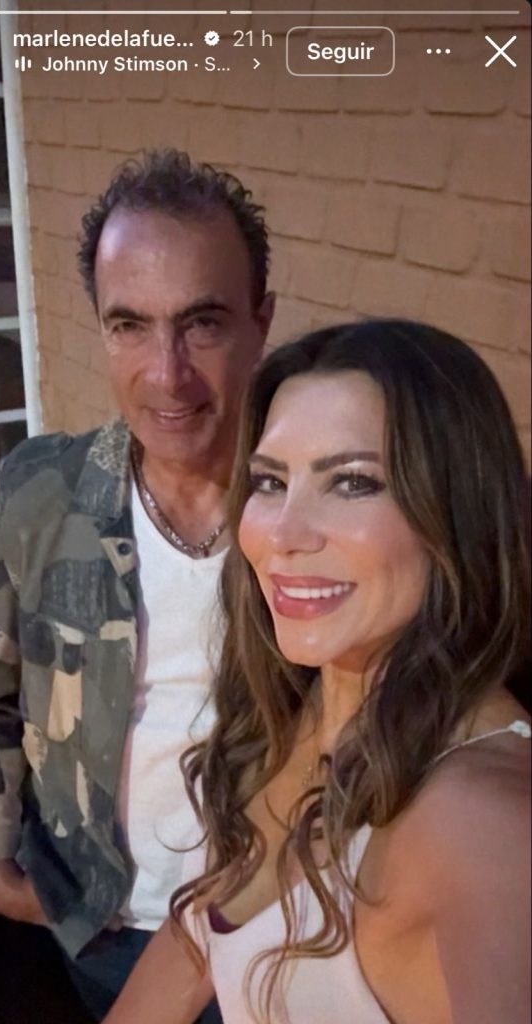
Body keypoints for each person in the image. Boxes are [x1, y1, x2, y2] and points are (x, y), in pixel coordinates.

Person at [0, 149, 275, 1021]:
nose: (167, 374)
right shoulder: (40, 492)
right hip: (100, 928)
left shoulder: (309, 512)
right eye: (130, 325)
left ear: (260, 322)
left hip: (272, 927)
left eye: (202, 323)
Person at [103, 318, 531, 1024]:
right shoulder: (299, 709)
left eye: (353, 482)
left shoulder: (486, 826)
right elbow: (195, 940)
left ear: (458, 513)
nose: (281, 532)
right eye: (269, 481)